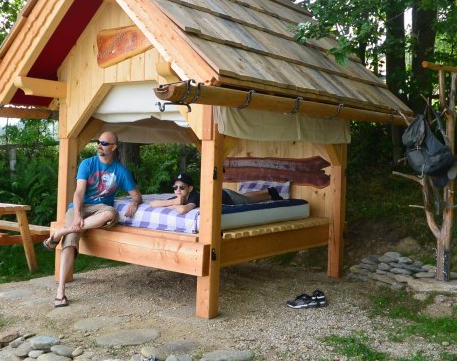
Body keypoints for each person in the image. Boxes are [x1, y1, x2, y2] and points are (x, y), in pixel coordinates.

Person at [42, 131, 142, 308]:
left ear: (114, 147)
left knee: (111, 213)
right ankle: (61, 291)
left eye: (104, 143)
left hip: (100, 210)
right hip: (81, 206)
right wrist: (78, 214)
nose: (99, 146)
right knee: (70, 243)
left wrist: (134, 203)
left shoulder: (121, 171)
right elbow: (79, 192)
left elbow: (136, 195)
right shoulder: (87, 164)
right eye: (98, 142)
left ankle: (61, 232)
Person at [149, 173, 283, 215]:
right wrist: (173, 202)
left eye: (181, 187)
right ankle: (269, 192)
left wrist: (174, 204)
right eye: (175, 187)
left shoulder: (195, 195)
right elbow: (152, 203)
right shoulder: (179, 196)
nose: (178, 189)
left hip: (226, 197)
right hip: (222, 194)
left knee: (248, 200)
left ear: (190, 188)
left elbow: (184, 209)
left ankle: (270, 194)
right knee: (246, 197)